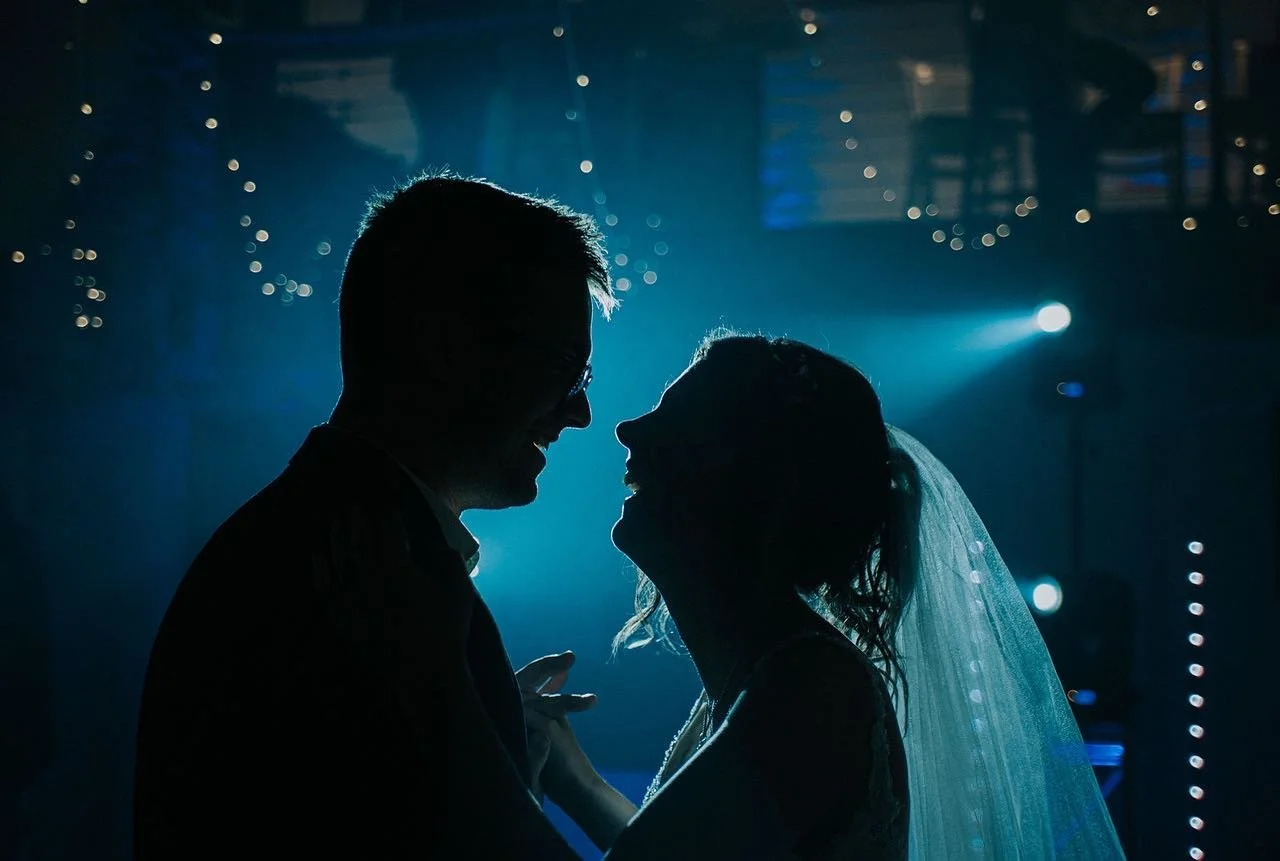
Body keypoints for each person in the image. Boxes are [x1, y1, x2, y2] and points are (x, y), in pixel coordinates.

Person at [134, 173, 615, 859]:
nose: (579, 410)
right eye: (565, 366)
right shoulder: (361, 569)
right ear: (443, 346)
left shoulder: (319, 542)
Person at [527, 330, 1126, 859]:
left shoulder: (810, 691)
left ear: (754, 481)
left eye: (677, 417)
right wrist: (573, 780)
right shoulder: (774, 680)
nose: (629, 429)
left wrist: (473, 763)